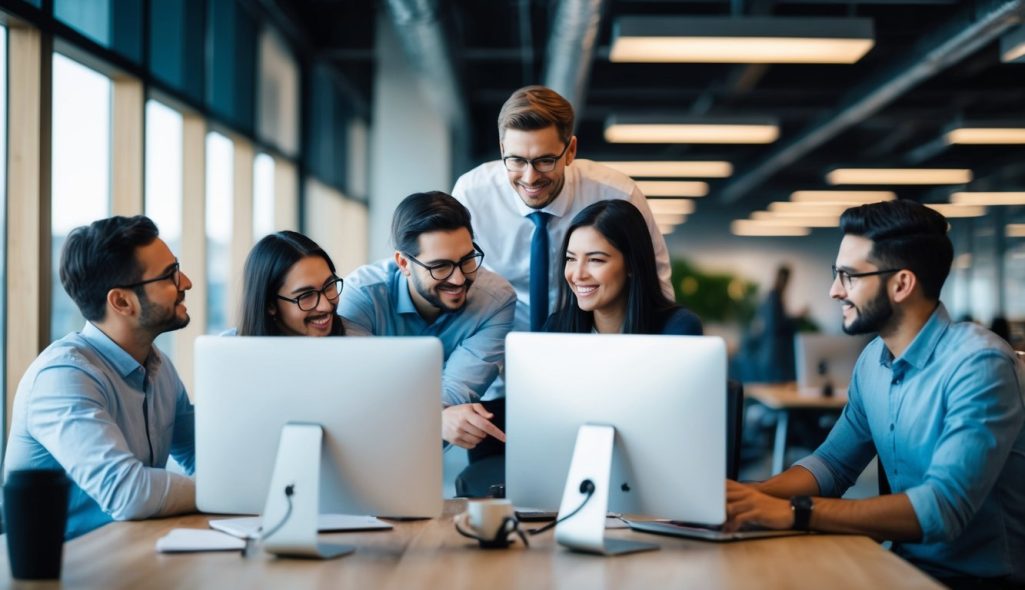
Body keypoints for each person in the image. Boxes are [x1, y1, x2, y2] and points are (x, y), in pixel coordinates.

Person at [725, 200, 1025, 588]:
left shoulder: (980, 364)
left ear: (901, 284)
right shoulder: (873, 361)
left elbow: (941, 509)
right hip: (903, 566)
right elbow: (832, 464)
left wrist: (797, 512)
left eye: (849, 276)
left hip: (978, 581)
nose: (834, 291)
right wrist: (750, 497)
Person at [4, 216, 197, 539]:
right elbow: (127, 494)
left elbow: (202, 455)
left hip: (134, 553)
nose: (186, 282)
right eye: (169, 276)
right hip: (68, 572)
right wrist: (220, 489)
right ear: (121, 301)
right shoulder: (63, 377)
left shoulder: (159, 367)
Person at [452, 85, 672, 333]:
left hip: (588, 345)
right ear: (503, 149)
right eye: (516, 160)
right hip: (499, 343)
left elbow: (655, 286)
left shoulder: (618, 194)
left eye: (545, 161)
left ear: (570, 152)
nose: (530, 177)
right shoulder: (472, 195)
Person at [337, 191, 516, 452]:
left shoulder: (496, 300)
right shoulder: (360, 297)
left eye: (467, 260)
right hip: (359, 443)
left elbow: (456, 391)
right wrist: (434, 419)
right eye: (440, 267)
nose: (458, 279)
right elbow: (358, 392)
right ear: (403, 263)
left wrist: (429, 417)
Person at [545, 199, 701, 335]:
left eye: (595, 260)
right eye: (571, 258)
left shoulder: (676, 328)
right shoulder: (557, 328)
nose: (578, 274)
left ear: (631, 264)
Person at [237, 231, 345, 337]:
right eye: (307, 295)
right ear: (270, 304)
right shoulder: (229, 350)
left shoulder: (356, 341)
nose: (325, 306)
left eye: (329, 286)